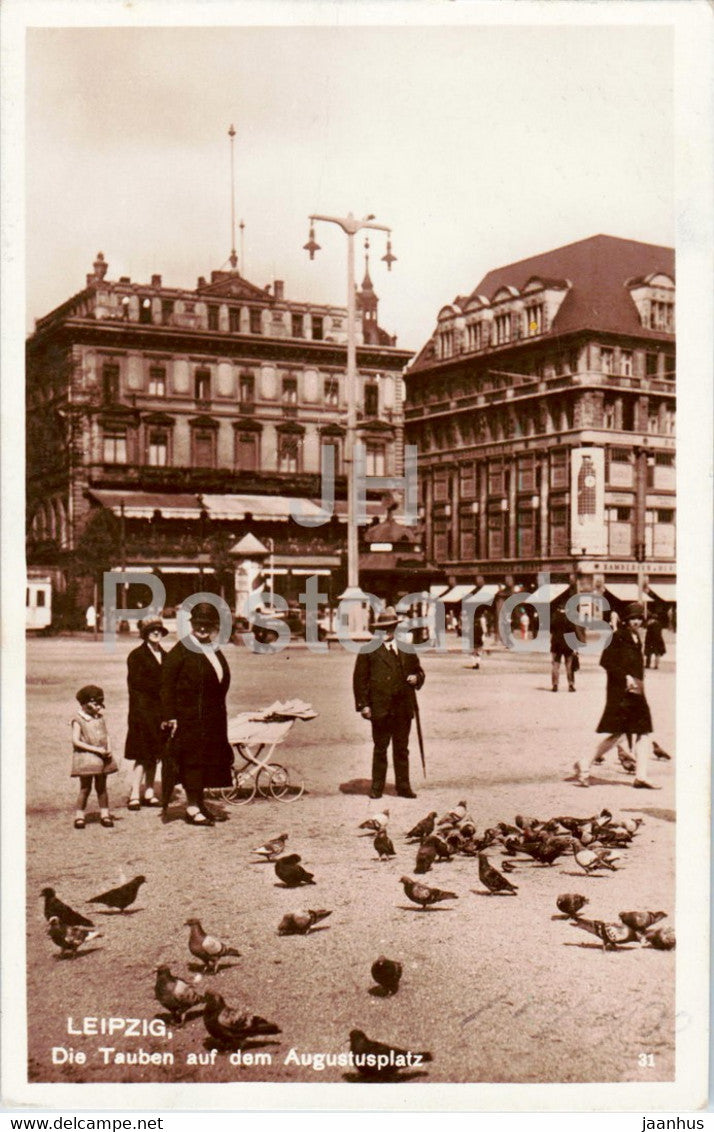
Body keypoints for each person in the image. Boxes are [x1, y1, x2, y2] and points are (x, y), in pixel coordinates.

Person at [161, 603, 233, 826]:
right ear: (191, 625)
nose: (203, 629)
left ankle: (199, 803)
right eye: (199, 625)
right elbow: (166, 685)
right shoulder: (181, 650)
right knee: (192, 761)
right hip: (189, 717)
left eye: (207, 625)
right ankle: (191, 807)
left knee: (205, 761)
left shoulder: (211, 647)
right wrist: (170, 716)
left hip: (211, 717)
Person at [574, 602, 659, 789]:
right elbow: (606, 662)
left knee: (644, 731)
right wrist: (626, 676)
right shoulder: (617, 636)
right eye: (632, 619)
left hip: (636, 691)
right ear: (625, 621)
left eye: (638, 618)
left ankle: (641, 776)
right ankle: (585, 763)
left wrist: (636, 679)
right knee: (617, 733)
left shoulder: (636, 637)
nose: (636, 622)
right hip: (621, 693)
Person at [353, 606, 425, 800]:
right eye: (383, 629)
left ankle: (403, 787)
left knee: (402, 749)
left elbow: (420, 671)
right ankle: (377, 787)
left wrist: (416, 678)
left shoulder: (407, 649)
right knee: (380, 749)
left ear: (395, 628)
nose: (387, 632)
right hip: (380, 708)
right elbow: (360, 680)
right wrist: (364, 705)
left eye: (390, 628)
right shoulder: (368, 651)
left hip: (403, 708)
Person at [125, 616, 169, 811]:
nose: (156, 633)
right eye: (152, 630)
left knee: (156, 753)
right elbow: (136, 686)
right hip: (142, 712)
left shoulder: (166, 656)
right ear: (145, 634)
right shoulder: (136, 656)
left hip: (161, 713)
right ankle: (135, 793)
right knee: (143, 754)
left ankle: (149, 791)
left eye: (159, 629)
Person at [70, 684, 118, 829]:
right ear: (85, 704)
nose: (98, 708)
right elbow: (76, 741)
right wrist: (95, 749)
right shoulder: (79, 720)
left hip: (102, 757)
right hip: (86, 757)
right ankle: (79, 815)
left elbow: (106, 734)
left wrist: (108, 748)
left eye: (100, 705)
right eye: (95, 704)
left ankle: (105, 814)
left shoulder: (100, 718)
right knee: (85, 787)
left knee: (102, 787)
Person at [550, 607, 585, 692]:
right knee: (569, 666)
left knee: (555, 665)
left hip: (556, 645)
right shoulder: (569, 619)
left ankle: (555, 684)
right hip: (568, 645)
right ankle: (571, 685)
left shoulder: (554, 617)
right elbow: (573, 633)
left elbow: (551, 630)